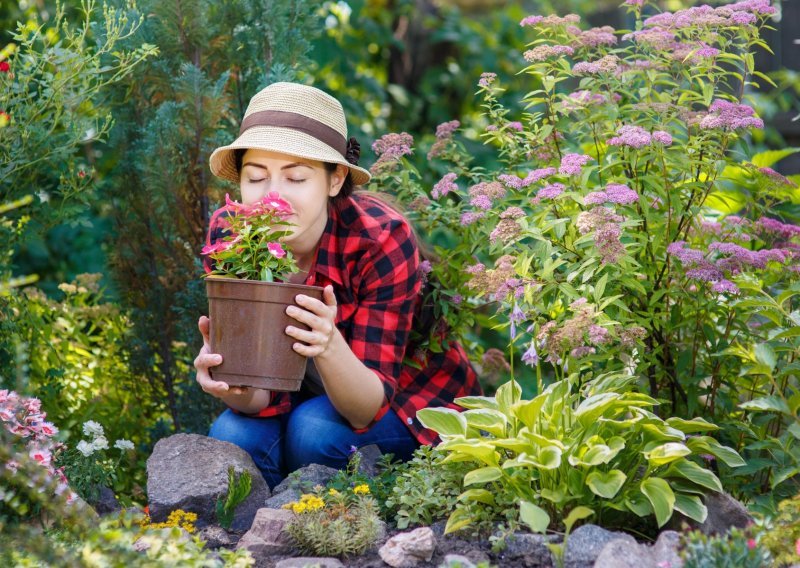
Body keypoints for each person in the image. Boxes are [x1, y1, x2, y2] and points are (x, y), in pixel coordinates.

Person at [194, 82, 480, 489]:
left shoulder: (378, 238)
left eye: (295, 178)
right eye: (256, 177)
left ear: (334, 180)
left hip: (405, 402)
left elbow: (364, 410)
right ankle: (269, 532)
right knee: (233, 436)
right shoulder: (233, 235)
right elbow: (255, 401)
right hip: (293, 402)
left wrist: (327, 343)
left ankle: (349, 517)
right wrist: (228, 381)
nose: (273, 196)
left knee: (313, 433)